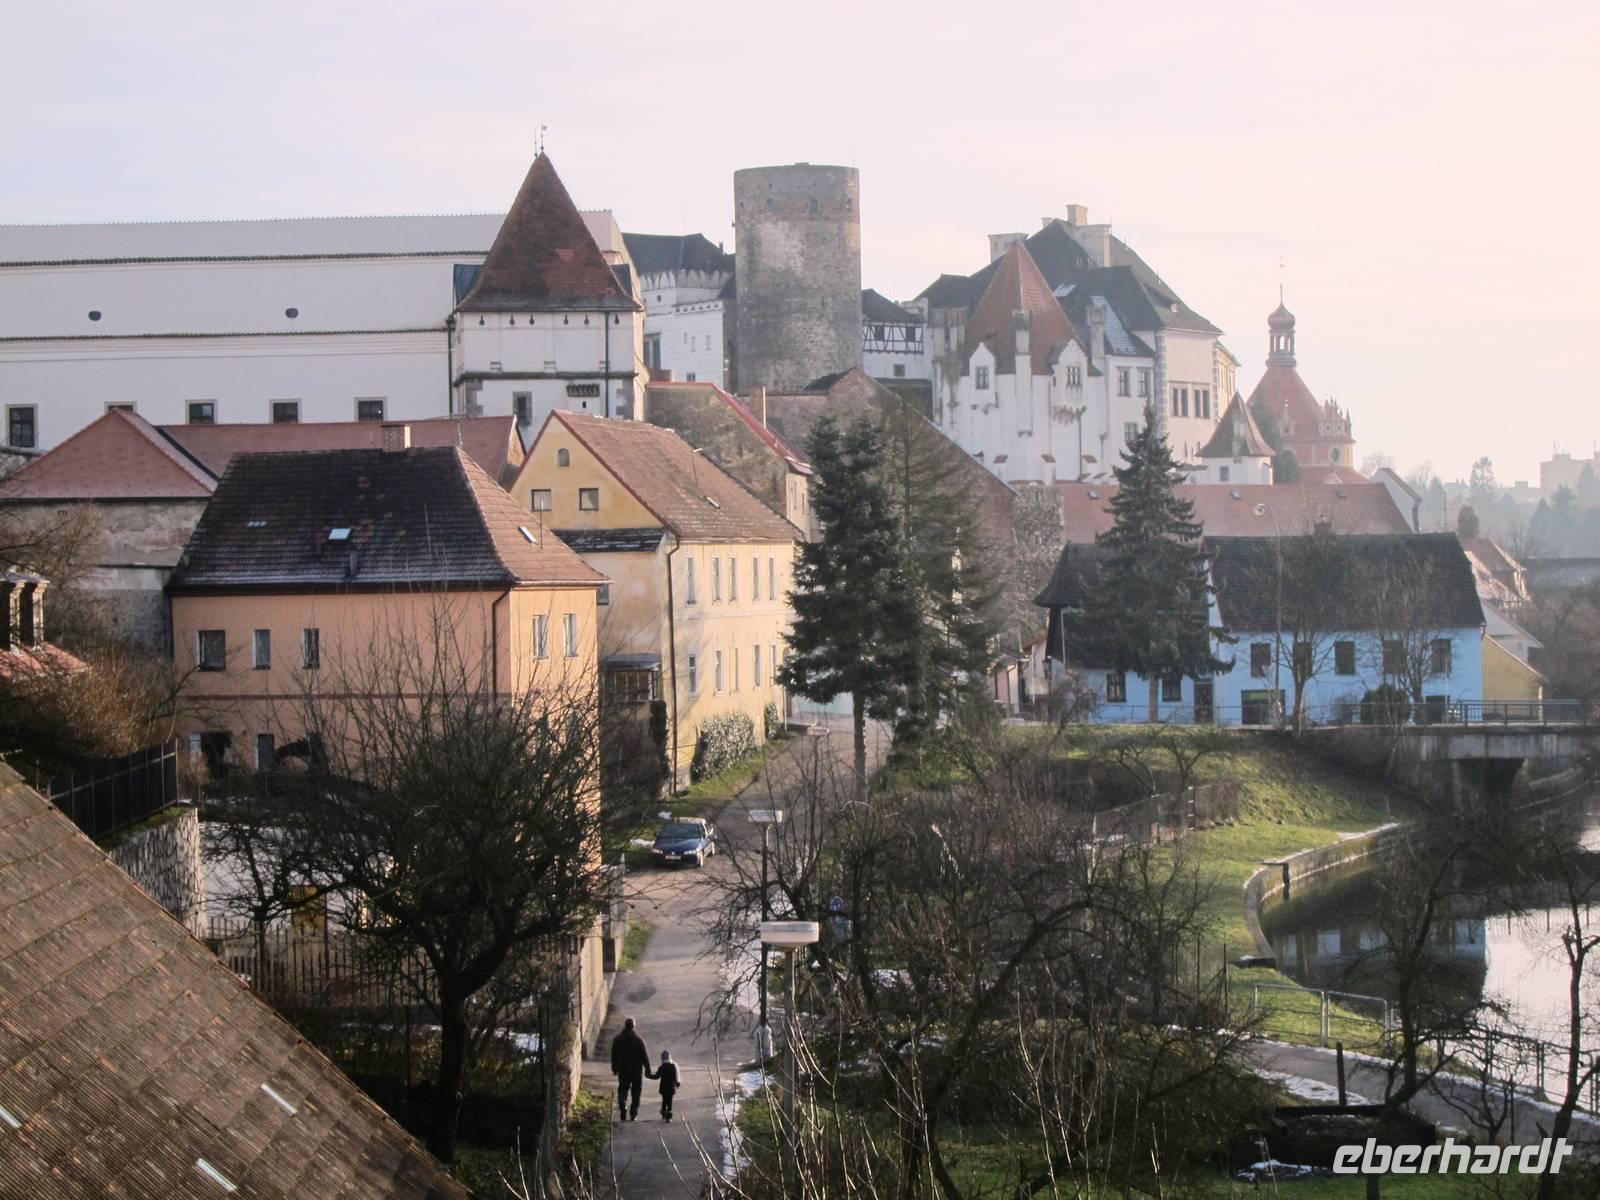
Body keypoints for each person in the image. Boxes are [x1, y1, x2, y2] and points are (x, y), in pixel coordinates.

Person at [609, 1017, 651, 1121]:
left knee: (622, 1088)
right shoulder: (639, 1040)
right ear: (633, 1026)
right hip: (636, 1071)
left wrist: (614, 1068)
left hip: (623, 1070)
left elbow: (613, 1055)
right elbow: (644, 1056)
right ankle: (633, 1113)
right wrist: (647, 1069)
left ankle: (623, 1105)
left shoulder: (618, 1039)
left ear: (625, 1025)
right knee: (636, 1091)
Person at [656, 1050, 680, 1121]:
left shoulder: (661, 1067)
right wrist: (677, 1083)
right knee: (670, 1101)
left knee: (664, 1100)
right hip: (671, 1087)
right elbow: (676, 1076)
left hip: (663, 1088)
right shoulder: (673, 1066)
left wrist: (649, 1075)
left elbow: (657, 1076)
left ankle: (664, 1112)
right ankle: (669, 1116)